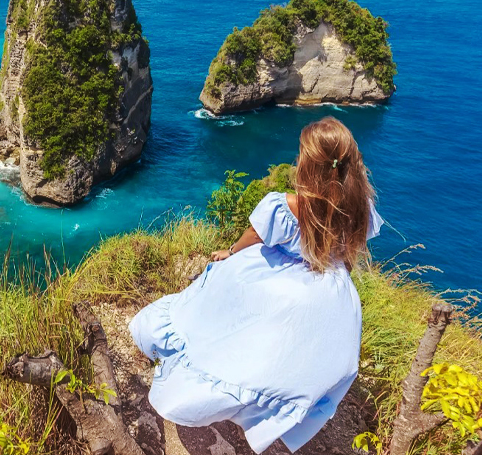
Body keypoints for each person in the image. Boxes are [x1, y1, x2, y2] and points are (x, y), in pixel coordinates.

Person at [129, 116, 383, 453]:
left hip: (278, 281)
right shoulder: (360, 207)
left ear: (308, 163)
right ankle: (275, 412)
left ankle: (214, 395)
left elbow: (257, 235)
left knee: (220, 314)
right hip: (329, 287)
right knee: (293, 352)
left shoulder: (289, 205)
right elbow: (349, 256)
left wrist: (230, 252)